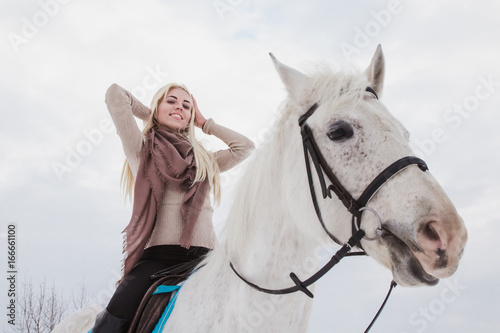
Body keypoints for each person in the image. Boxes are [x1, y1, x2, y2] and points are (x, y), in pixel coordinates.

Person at [90, 83, 255, 332]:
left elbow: (244, 147)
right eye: (171, 101)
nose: (180, 106)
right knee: (113, 320)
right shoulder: (141, 149)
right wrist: (153, 116)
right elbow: (115, 94)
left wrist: (203, 123)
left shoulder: (205, 161)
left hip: (206, 259)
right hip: (158, 259)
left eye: (186, 105)